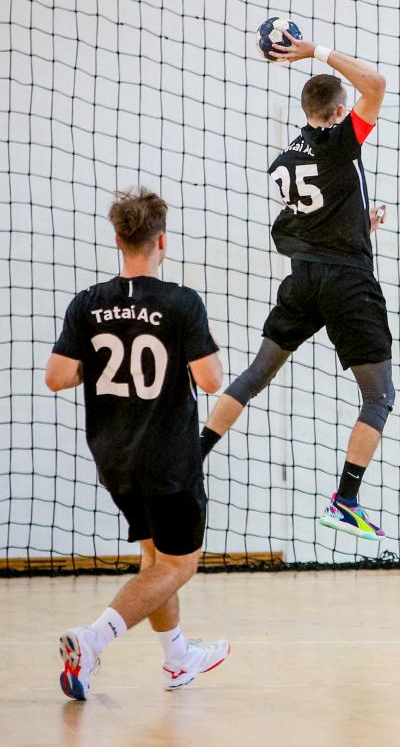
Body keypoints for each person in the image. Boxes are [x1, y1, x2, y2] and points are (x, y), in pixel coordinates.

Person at [199, 34, 392, 540]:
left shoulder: (286, 158)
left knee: (255, 374)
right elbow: (376, 83)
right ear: (340, 110)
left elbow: (311, 218)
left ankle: (192, 460)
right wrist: (314, 51)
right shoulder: (341, 141)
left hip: (303, 278)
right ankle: (345, 501)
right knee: (378, 396)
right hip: (348, 282)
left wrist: (359, 224)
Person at [47, 188, 229, 700]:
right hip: (167, 458)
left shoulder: (88, 302)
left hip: (113, 457)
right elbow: (211, 380)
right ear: (161, 241)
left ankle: (178, 659)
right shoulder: (181, 302)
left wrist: (101, 364)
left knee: (155, 558)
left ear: (117, 240)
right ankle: (92, 640)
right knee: (178, 564)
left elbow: (56, 376)